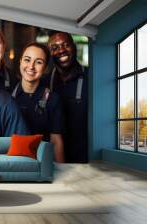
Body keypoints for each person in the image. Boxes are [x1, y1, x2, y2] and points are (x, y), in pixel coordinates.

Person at [12, 43, 65, 162]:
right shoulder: (8, 95)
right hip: (13, 160)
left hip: (41, 161)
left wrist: (61, 170)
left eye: (38, 62)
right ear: (20, 61)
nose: (31, 66)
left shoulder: (52, 99)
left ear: (45, 68)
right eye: (27, 60)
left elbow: (55, 140)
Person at [42, 31, 88, 163]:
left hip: (85, 163)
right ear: (50, 53)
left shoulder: (92, 78)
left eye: (66, 45)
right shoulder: (44, 83)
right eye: (54, 48)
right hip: (53, 162)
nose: (61, 50)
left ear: (74, 47)